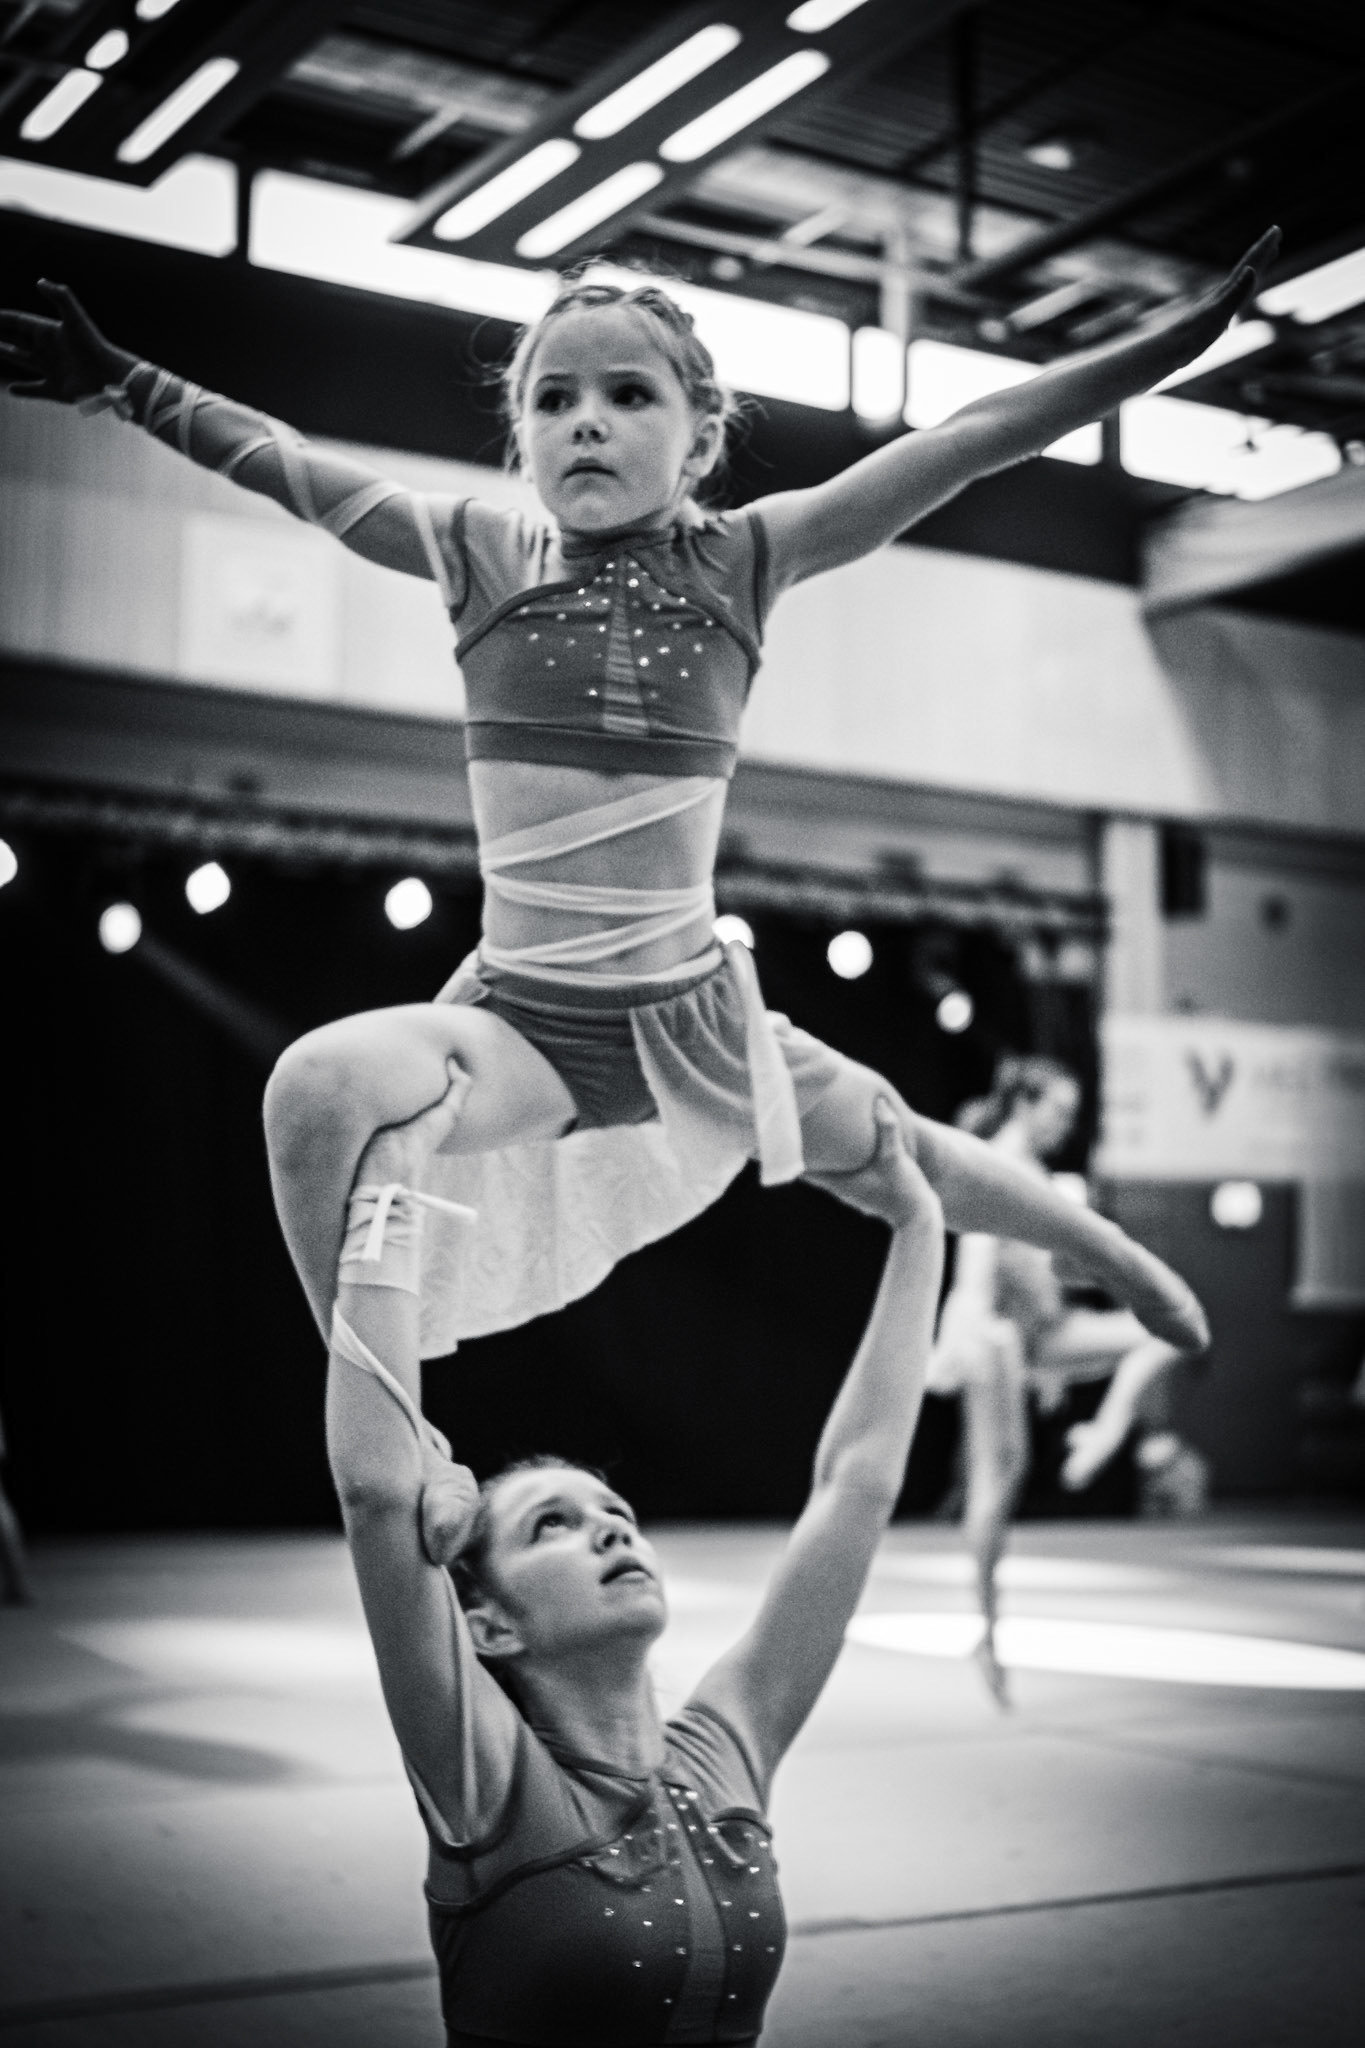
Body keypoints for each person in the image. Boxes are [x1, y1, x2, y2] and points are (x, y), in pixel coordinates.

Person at [0, 239, 1275, 1359]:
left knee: (900, 1148)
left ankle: (1115, 1254)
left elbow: (969, 438)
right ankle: (369, 1383)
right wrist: (128, 385)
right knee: (315, 1092)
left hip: (691, 1019)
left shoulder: (748, 558)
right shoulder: (479, 552)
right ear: (521, 437)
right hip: (525, 1021)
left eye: (627, 394)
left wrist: (1162, 351)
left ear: (702, 436)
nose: (587, 423)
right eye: (553, 400)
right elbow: (290, 466)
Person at [329, 1078, 943, 2044]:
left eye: (614, 1513)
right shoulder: (488, 1783)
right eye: (554, 1526)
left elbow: (854, 1486)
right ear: (488, 1623)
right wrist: (391, 1185)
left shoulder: (726, 1746)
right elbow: (376, 1495)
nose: (613, 1530)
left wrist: (917, 1225)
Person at [927, 1056, 1202, 1704]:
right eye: (1057, 1112)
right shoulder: (993, 1162)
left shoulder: (1037, 1170)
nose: (1065, 1126)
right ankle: (987, 1628)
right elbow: (974, 1259)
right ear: (1025, 1103)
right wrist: (963, 1335)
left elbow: (1043, 1268)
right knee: (1000, 1479)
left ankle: (1102, 1433)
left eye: (1071, 1116)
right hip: (998, 1336)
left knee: (1167, 1333)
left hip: (1047, 1334)